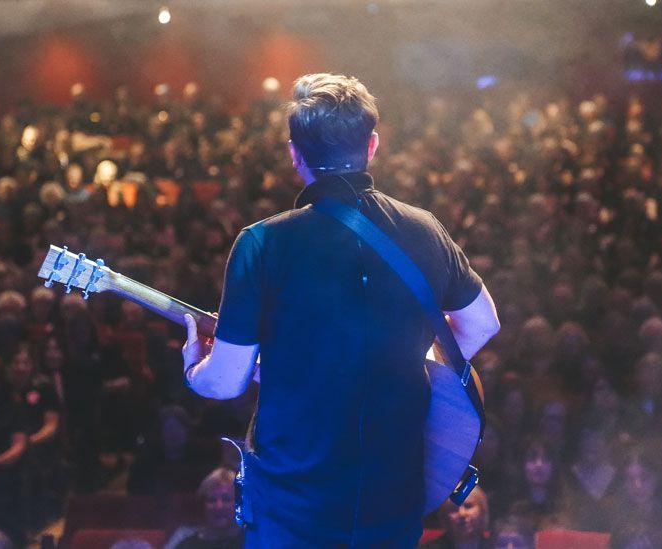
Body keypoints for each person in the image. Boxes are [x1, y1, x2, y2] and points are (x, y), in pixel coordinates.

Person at [180, 73, 500, 546]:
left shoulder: (262, 244)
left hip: (295, 504)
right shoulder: (424, 230)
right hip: (392, 495)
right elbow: (483, 323)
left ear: (295, 153)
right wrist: (397, 365)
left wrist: (195, 369)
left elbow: (226, 381)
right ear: (372, 146)